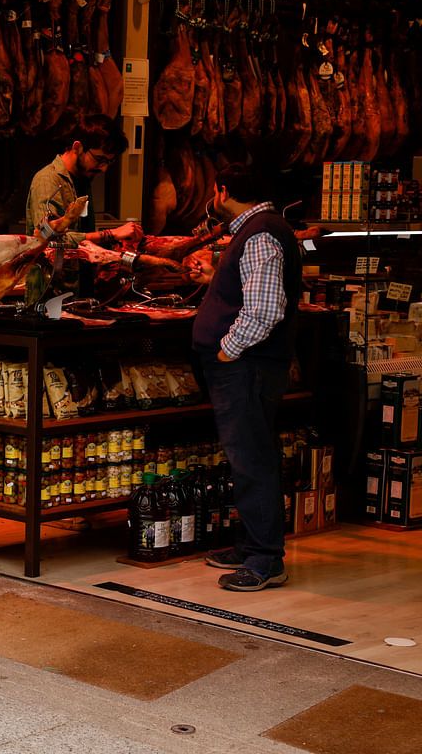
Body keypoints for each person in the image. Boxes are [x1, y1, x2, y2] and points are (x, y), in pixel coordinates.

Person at [189, 164, 302, 592]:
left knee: (251, 457)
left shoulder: (260, 233)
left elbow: (265, 309)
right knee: (247, 455)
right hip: (246, 365)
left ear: (222, 192)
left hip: (247, 366)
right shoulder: (257, 229)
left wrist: (228, 348)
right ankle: (251, 544)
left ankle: (265, 560)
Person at [22, 115, 143, 302]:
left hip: (79, 289)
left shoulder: (82, 181)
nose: (103, 169)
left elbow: (80, 235)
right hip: (51, 294)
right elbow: (46, 234)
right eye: (100, 159)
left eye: (109, 162)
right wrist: (110, 234)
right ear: (77, 147)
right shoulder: (48, 180)